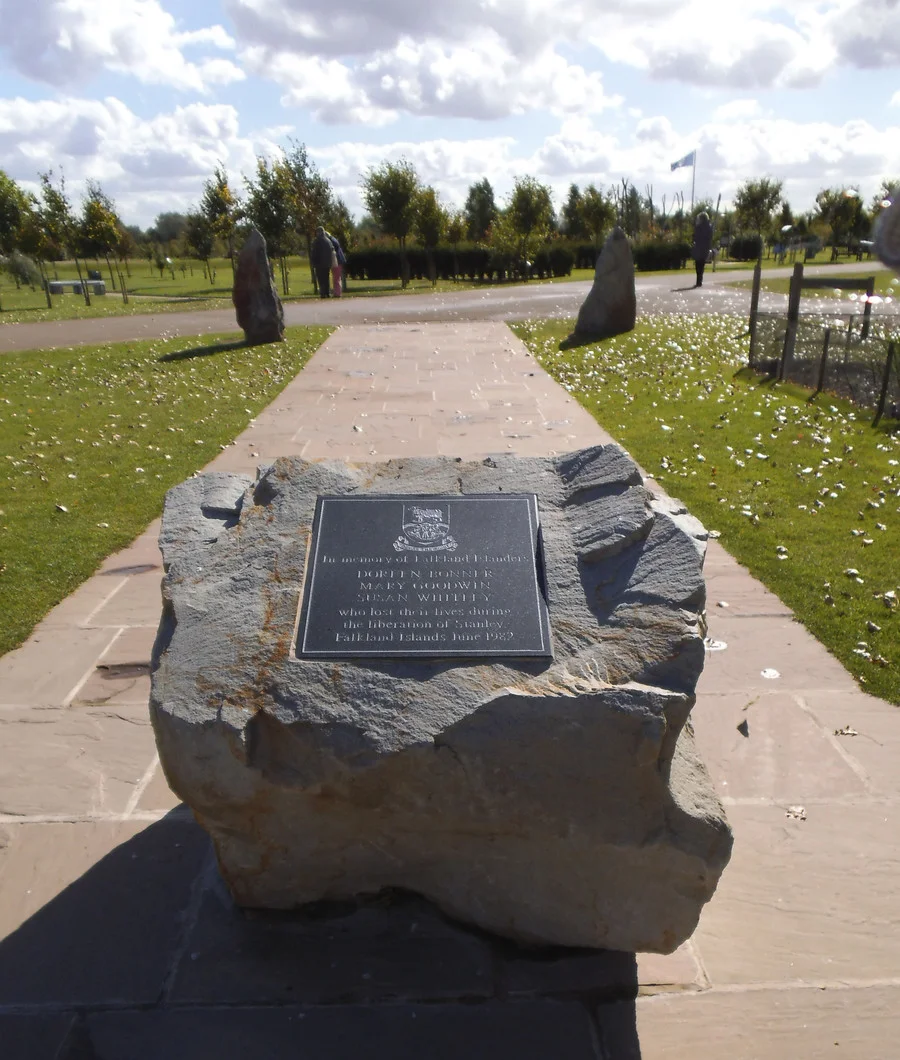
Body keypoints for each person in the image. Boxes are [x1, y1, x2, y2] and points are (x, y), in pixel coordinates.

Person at [310, 225, 335, 298]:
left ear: (319, 232)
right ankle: (327, 293)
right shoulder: (328, 241)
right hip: (327, 263)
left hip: (319, 263)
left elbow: (314, 252)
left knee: (321, 279)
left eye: (317, 232)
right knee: (326, 278)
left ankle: (323, 293)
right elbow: (332, 250)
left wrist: (313, 262)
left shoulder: (317, 241)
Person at [692, 211, 714, 287]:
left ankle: (698, 280)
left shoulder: (698, 227)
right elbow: (710, 237)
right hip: (705, 248)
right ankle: (699, 280)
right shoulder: (709, 227)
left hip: (699, 247)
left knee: (698, 264)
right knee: (702, 264)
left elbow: (695, 237)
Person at [328, 232, 346, 297]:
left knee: (336, 278)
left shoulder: (332, 243)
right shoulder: (334, 240)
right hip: (339, 261)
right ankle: (337, 292)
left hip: (337, 262)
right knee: (337, 278)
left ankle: (337, 293)